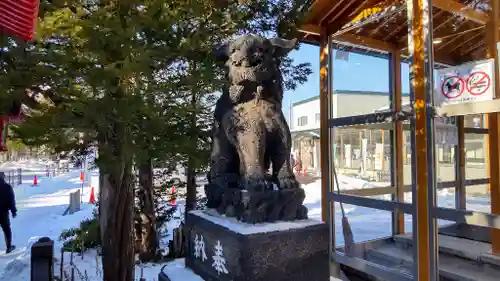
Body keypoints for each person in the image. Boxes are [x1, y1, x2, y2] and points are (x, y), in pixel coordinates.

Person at [0, 172, 16, 253]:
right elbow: (11, 200)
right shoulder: (7, 187)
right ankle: (8, 246)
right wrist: (13, 211)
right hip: (3, 212)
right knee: (6, 229)